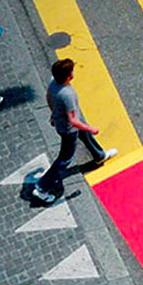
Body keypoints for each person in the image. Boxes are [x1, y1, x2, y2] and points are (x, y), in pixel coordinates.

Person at [32, 59, 117, 204]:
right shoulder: (67, 95)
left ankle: (99, 155)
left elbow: (48, 97)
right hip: (68, 128)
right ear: (68, 77)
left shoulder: (53, 82)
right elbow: (72, 121)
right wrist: (92, 128)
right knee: (65, 158)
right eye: (72, 72)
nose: (73, 74)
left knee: (85, 135)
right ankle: (42, 187)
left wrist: (54, 114)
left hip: (65, 120)